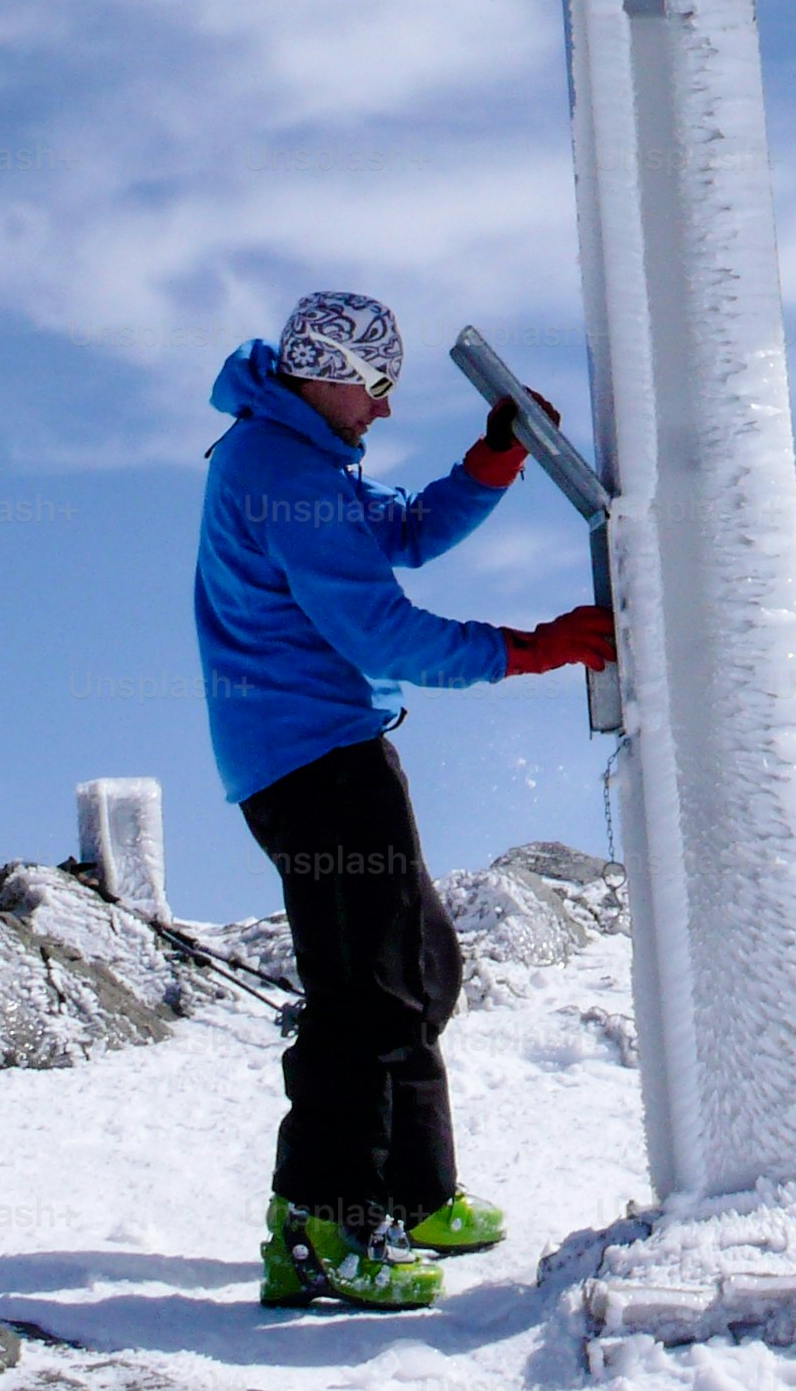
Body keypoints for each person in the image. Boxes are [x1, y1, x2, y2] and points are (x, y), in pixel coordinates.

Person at [195, 289, 615, 1311]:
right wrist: (532, 649)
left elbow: (406, 531)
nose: (381, 412)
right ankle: (318, 1224)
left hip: (325, 752)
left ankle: (411, 1191)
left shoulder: (298, 459)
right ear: (329, 371)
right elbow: (382, 632)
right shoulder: (281, 468)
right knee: (366, 998)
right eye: (376, 391)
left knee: (419, 967)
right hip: (312, 760)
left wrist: (493, 462)